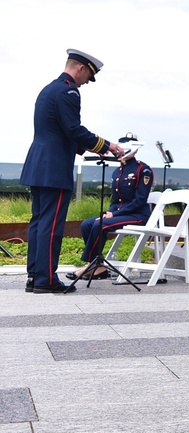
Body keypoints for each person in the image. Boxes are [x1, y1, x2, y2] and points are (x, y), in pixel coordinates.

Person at [20, 49, 125, 294]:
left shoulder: (48, 89)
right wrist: (106, 145)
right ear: (80, 68)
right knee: (51, 224)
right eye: (88, 76)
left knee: (38, 222)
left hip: (39, 164)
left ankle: (35, 276)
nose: (86, 82)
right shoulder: (69, 91)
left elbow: (58, 130)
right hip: (54, 168)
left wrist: (92, 148)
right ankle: (46, 280)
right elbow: (73, 129)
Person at [67, 133, 154, 281]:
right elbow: (116, 200)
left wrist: (115, 214)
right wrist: (109, 212)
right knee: (87, 224)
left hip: (138, 215)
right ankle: (98, 266)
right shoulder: (117, 172)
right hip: (121, 214)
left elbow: (139, 201)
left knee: (99, 226)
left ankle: (91, 266)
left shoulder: (143, 170)